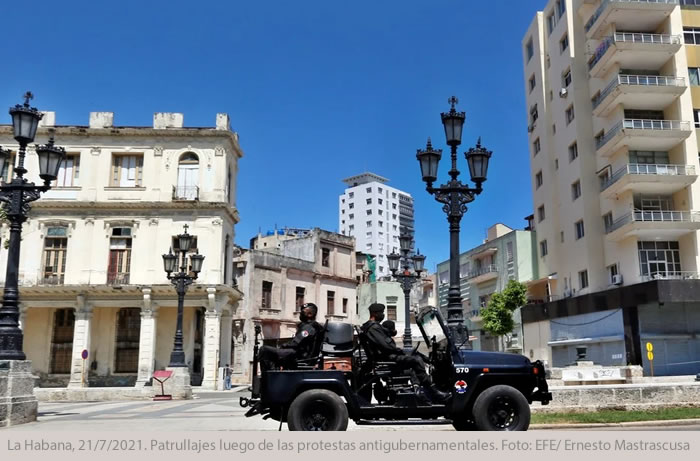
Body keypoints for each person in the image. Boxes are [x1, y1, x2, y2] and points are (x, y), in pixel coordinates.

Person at [361, 303, 450, 403]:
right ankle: (433, 392)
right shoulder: (373, 328)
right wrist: (400, 351)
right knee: (416, 360)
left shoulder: (373, 327)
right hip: (388, 359)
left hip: (387, 357)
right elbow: (387, 346)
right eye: (381, 313)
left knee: (415, 355)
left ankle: (425, 388)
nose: (383, 315)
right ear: (375, 313)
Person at [258, 303, 323, 371]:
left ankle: (268, 378)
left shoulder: (308, 327)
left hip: (300, 356)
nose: (300, 314)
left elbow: (295, 343)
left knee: (264, 350)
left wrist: (283, 345)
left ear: (310, 314)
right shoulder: (314, 326)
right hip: (302, 355)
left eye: (302, 312)